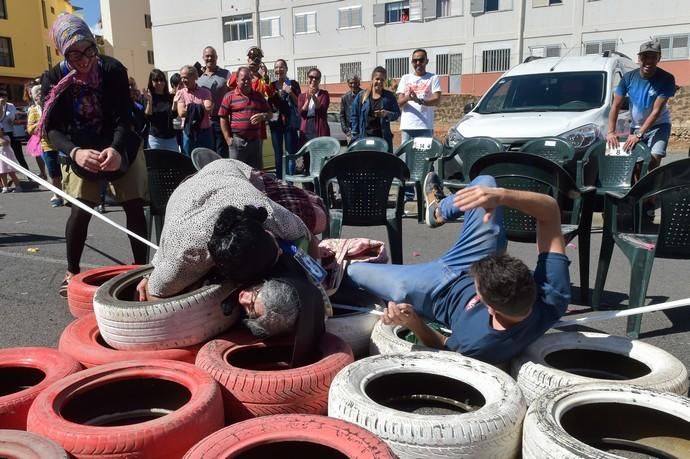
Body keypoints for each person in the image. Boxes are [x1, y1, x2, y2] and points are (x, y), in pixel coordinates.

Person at [343, 171, 571, 364]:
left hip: (432, 289)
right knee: (485, 185)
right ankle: (438, 210)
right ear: (529, 282)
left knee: (352, 271)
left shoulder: (478, 343)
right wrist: (501, 196)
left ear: (490, 308)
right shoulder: (553, 295)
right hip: (473, 257)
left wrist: (413, 321)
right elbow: (550, 212)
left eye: (477, 287)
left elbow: (441, 345)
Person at [42, 13, 148, 297]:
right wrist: (75, 153)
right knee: (81, 209)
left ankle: (141, 270)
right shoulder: (53, 78)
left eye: (89, 49)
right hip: (80, 147)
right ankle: (72, 271)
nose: (85, 60)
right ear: (61, 52)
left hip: (120, 142)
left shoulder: (113, 70)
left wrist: (115, 148)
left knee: (134, 205)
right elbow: (50, 129)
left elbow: (124, 118)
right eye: (74, 54)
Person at [137, 158, 327, 299]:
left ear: (262, 227)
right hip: (184, 197)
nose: (279, 249)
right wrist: (151, 274)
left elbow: (307, 237)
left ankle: (309, 199)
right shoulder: (186, 256)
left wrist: (316, 281)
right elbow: (153, 293)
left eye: (274, 245)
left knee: (319, 217)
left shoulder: (266, 212)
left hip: (228, 172)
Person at [607, 39, 676, 172]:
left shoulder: (667, 78)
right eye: (645, 57)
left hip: (659, 125)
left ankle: (652, 191)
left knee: (653, 160)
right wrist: (611, 132)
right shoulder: (628, 78)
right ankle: (637, 190)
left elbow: (656, 112)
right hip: (636, 126)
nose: (648, 61)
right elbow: (615, 105)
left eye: (653, 57)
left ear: (659, 58)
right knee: (636, 164)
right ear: (639, 58)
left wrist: (638, 135)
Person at [218, 67, 273, 170]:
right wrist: (228, 139)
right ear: (237, 80)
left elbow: (270, 113)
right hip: (237, 142)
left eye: (248, 79)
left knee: (257, 174)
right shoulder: (229, 96)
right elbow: (223, 117)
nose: (246, 82)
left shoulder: (258, 96)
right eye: (243, 79)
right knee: (237, 174)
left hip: (255, 142)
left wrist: (263, 116)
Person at [350, 66, 401, 153]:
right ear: (372, 80)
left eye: (382, 80)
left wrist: (386, 114)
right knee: (366, 164)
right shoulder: (362, 96)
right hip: (364, 137)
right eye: (377, 79)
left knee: (382, 164)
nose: (379, 82)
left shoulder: (389, 96)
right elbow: (354, 115)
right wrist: (355, 133)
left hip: (383, 138)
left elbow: (397, 114)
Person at [396, 49, 442, 143]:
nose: (418, 63)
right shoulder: (405, 78)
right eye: (415, 61)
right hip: (407, 127)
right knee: (405, 156)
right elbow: (399, 103)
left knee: (424, 156)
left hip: (425, 126)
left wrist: (419, 101)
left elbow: (436, 100)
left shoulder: (433, 78)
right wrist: (408, 98)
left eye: (421, 60)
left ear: (426, 61)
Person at [27, 85, 62, 205]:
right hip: (48, 145)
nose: (40, 95)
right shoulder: (34, 110)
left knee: (67, 171)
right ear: (34, 97)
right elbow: (30, 129)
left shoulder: (55, 105)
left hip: (63, 143)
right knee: (54, 172)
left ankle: (69, 194)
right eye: (37, 93)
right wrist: (41, 122)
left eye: (42, 92)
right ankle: (57, 195)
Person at [269, 59, 301, 178]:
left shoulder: (293, 83)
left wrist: (290, 92)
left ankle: (290, 183)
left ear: (286, 69)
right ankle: (279, 182)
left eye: (281, 67)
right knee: (278, 154)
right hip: (275, 123)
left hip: (290, 123)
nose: (279, 70)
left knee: (290, 154)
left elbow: (299, 103)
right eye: (276, 67)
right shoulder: (271, 86)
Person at [174, 64, 214, 156]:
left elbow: (208, 109)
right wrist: (200, 107)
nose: (183, 80)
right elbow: (181, 113)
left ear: (194, 77)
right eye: (182, 78)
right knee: (189, 160)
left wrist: (189, 107)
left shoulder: (205, 92)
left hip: (205, 133)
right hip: (189, 133)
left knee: (207, 160)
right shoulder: (181, 93)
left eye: (186, 77)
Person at [197, 46, 230, 158]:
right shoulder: (198, 78)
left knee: (222, 154)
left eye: (212, 56)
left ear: (216, 57)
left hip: (221, 120)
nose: (209, 58)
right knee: (208, 154)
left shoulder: (226, 74)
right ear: (203, 58)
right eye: (207, 56)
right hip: (204, 121)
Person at [143, 68, 178, 152]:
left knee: (174, 163)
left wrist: (176, 102)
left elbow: (174, 115)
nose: (159, 82)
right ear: (151, 82)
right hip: (155, 139)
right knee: (156, 164)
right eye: (156, 80)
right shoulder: (148, 97)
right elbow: (148, 117)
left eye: (162, 80)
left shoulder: (171, 97)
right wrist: (150, 101)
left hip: (171, 138)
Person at [0, 88, 30, 175]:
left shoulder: (11, 106)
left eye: (5, 95)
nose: (3, 97)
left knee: (19, 155)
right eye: (1, 95)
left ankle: (28, 174)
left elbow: (14, 118)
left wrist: (14, 121)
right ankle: (6, 180)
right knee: (4, 158)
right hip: (1, 134)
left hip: (12, 133)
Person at [298, 67, 330, 144]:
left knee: (320, 153)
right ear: (307, 79)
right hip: (306, 126)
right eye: (311, 77)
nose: (314, 79)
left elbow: (322, 110)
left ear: (319, 80)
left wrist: (313, 96)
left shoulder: (324, 94)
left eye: (317, 78)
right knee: (307, 153)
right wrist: (308, 99)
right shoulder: (301, 96)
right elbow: (302, 113)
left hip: (319, 125)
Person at [339, 75, 361, 145]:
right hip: (350, 131)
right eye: (351, 83)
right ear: (348, 84)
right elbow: (342, 115)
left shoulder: (365, 95)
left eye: (355, 83)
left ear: (359, 83)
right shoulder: (345, 98)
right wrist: (345, 130)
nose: (353, 85)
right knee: (352, 153)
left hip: (363, 130)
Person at [0, 128, 22, 193]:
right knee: (2, 173)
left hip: (8, 157)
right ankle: (5, 187)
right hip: (1, 159)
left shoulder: (6, 137)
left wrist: (0, 137)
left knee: (11, 173)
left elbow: (4, 143)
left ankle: (18, 186)